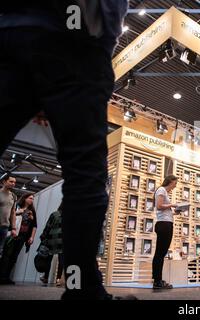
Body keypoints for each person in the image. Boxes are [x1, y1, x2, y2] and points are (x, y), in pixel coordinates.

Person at [0, 1, 128, 299]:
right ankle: (82, 290)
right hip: (76, 38)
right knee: (86, 173)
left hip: (13, 29)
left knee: (85, 175)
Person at [0, 193, 37, 284]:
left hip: (23, 236)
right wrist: (18, 212)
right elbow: (8, 216)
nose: (31, 200)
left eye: (32, 199)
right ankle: (1, 276)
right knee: (6, 255)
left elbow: (34, 226)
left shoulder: (32, 210)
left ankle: (7, 277)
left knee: (14, 257)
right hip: (13, 233)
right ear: (24, 198)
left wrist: (32, 237)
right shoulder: (16, 206)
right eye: (30, 198)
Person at [152, 175, 179, 289]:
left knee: (161, 253)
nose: (176, 185)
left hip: (166, 223)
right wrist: (172, 205)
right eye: (175, 183)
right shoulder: (161, 190)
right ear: (171, 181)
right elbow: (159, 206)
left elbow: (164, 210)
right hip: (163, 225)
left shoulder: (165, 192)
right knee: (160, 253)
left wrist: (174, 213)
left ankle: (158, 280)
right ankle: (157, 281)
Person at [40, 203, 64, 286]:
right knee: (62, 260)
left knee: (48, 259)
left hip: (52, 238)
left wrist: (43, 236)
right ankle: (58, 279)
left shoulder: (54, 214)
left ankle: (46, 277)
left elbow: (48, 226)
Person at [0, 175, 17, 258]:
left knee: (0, 250)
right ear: (4, 181)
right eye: (11, 181)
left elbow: (13, 213)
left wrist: (13, 228)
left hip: (4, 227)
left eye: (14, 182)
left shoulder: (14, 196)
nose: (13, 184)